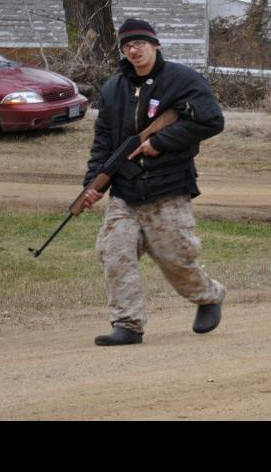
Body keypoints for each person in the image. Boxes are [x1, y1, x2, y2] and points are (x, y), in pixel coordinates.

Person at [81, 18, 227, 346]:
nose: (134, 50)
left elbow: (212, 121)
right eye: (127, 45)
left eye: (140, 44)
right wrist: (92, 184)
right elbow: (103, 142)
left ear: (155, 44)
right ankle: (128, 324)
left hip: (168, 187)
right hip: (125, 190)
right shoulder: (112, 89)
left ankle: (209, 296)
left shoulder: (183, 80)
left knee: (175, 259)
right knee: (114, 252)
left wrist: (161, 142)